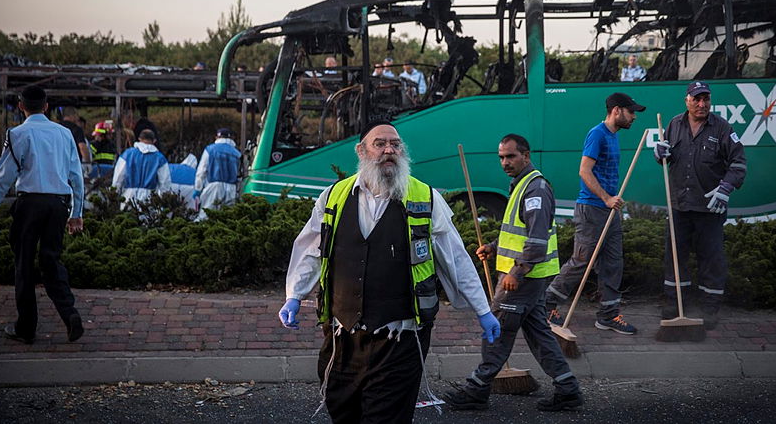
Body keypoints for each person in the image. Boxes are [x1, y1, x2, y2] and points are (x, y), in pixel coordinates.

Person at [278, 121, 499, 424]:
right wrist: (294, 294)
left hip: (400, 338)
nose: (389, 150)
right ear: (361, 151)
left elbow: (456, 258)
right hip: (343, 336)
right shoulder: (333, 196)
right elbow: (310, 248)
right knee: (342, 409)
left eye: (395, 144)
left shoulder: (425, 198)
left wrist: (483, 309)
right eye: (379, 144)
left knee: (387, 417)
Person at [445, 134, 583, 412]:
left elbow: (536, 241)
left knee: (497, 329)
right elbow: (519, 233)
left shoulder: (535, 190)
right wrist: (494, 248)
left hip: (524, 279)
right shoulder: (522, 186)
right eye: (501, 157)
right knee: (539, 333)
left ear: (526, 155)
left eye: (511, 156)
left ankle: (477, 389)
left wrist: (517, 273)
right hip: (528, 276)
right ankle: (568, 389)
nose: (505, 162)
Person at [0, 85, 85, 344]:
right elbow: (76, 176)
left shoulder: (17, 134)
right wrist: (77, 212)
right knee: (52, 261)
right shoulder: (64, 134)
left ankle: (26, 327)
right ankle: (70, 314)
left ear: (21, 106)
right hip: (57, 206)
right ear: (47, 106)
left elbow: (1, 180)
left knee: (24, 265)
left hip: (29, 204)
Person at [545, 92, 646, 335]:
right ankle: (545, 305)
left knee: (613, 263)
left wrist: (611, 201)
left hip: (610, 211)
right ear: (616, 110)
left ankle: (608, 315)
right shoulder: (597, 134)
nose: (634, 117)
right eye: (631, 111)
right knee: (582, 262)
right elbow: (584, 171)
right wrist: (606, 198)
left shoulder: (613, 136)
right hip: (592, 209)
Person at [654, 81, 746, 329]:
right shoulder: (674, 124)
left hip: (709, 209)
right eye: (697, 99)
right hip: (679, 206)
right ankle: (675, 304)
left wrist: (726, 188)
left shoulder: (723, 128)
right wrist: (660, 153)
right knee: (675, 257)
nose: (702, 104)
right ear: (687, 100)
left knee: (712, 259)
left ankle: (710, 309)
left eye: (706, 99)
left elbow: (738, 164)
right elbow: (666, 156)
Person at [112, 129, 171, 209]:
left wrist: (113, 195)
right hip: (149, 199)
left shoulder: (127, 154)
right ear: (154, 141)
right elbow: (165, 184)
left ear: (139, 139)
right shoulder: (160, 158)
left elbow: (118, 178)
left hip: (128, 196)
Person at [194, 128, 241, 220]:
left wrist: (197, 189)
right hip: (232, 189)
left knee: (205, 217)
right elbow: (240, 174)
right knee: (227, 219)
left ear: (217, 137)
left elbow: (201, 171)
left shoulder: (210, 149)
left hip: (214, 187)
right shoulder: (237, 153)